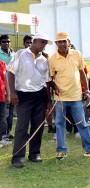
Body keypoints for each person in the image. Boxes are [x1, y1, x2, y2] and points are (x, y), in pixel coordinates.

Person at [48, 32, 90, 160]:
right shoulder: (52, 59)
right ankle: (61, 151)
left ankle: (89, 150)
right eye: (59, 42)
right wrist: (55, 88)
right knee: (60, 124)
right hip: (60, 98)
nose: (62, 44)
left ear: (69, 42)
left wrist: (87, 90)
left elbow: (82, 73)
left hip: (76, 96)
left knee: (82, 124)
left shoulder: (76, 54)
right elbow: (50, 78)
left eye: (64, 41)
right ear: (56, 44)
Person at [8, 32, 52, 168]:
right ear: (35, 41)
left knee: (38, 125)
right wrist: (13, 92)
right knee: (22, 126)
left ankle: (34, 153)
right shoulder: (20, 54)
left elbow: (47, 82)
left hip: (39, 95)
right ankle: (18, 157)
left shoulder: (44, 60)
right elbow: (10, 72)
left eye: (45, 43)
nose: (44, 45)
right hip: (23, 95)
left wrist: (48, 100)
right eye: (42, 42)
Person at [0, 35, 15, 141]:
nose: (6, 43)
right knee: (4, 113)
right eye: (4, 41)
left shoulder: (14, 54)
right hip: (3, 87)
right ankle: (3, 134)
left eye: (8, 41)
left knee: (11, 112)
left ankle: (8, 131)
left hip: (14, 86)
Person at [0, 60, 10, 148]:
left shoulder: (3, 64)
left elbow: (6, 80)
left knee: (2, 118)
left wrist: (9, 94)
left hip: (2, 96)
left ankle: (2, 138)